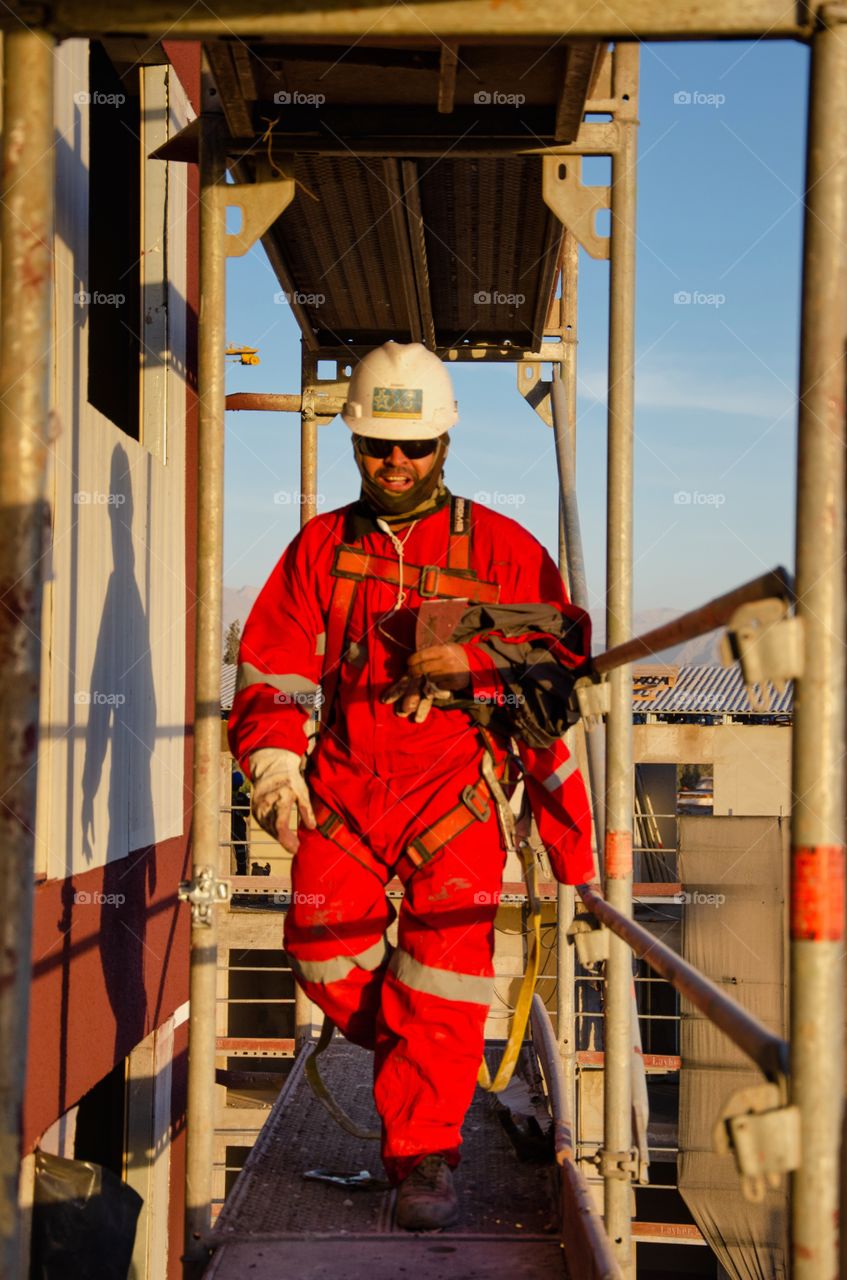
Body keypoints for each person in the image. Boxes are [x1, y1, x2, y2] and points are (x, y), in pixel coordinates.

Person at [227, 341, 594, 1230]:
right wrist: (276, 770)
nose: (395, 462)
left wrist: (472, 666)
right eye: (377, 446)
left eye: (414, 446)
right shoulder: (319, 550)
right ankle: (417, 1054)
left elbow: (559, 669)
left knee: (443, 980)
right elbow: (269, 675)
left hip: (454, 802)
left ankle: (424, 1157)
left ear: (443, 444)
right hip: (344, 798)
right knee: (319, 950)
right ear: (355, 445)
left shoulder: (505, 551)